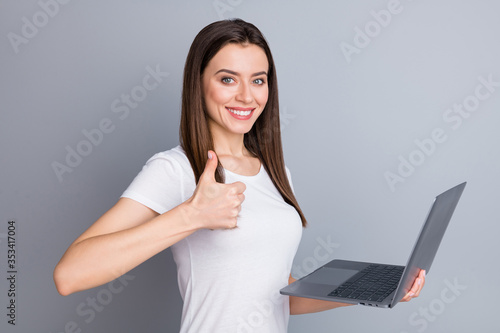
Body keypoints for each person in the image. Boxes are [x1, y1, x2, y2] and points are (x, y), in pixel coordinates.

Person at [53, 19, 425, 332]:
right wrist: (189, 216)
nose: (246, 96)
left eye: (258, 80)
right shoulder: (178, 169)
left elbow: (276, 295)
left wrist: (374, 292)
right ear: (198, 83)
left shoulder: (277, 174)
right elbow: (70, 275)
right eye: (228, 79)